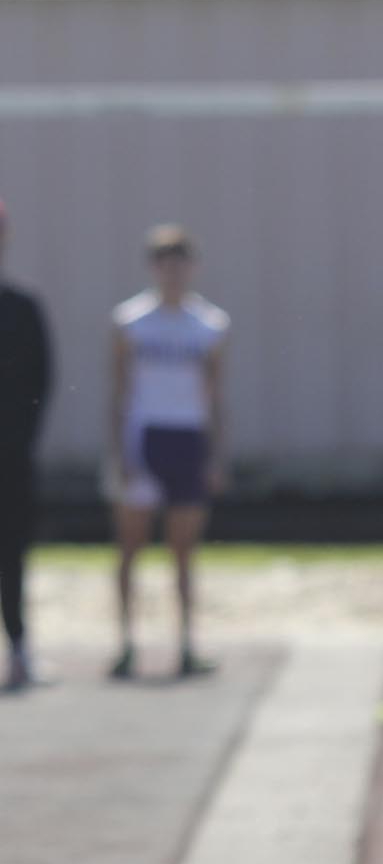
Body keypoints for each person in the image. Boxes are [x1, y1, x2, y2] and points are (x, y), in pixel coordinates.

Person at [107, 224, 228, 680]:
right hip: (145, 438)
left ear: (193, 267)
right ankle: (126, 642)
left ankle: (186, 643)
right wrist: (120, 453)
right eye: (164, 262)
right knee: (131, 546)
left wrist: (215, 455)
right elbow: (118, 392)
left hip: (188, 439)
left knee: (183, 551)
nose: (173, 271)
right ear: (153, 267)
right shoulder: (131, 321)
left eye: (181, 262)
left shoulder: (209, 325)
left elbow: (216, 395)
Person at [0, 198, 52, 692]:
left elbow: (43, 380)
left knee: (12, 554)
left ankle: (18, 646)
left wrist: (21, 441)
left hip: (11, 457)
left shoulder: (23, 308)